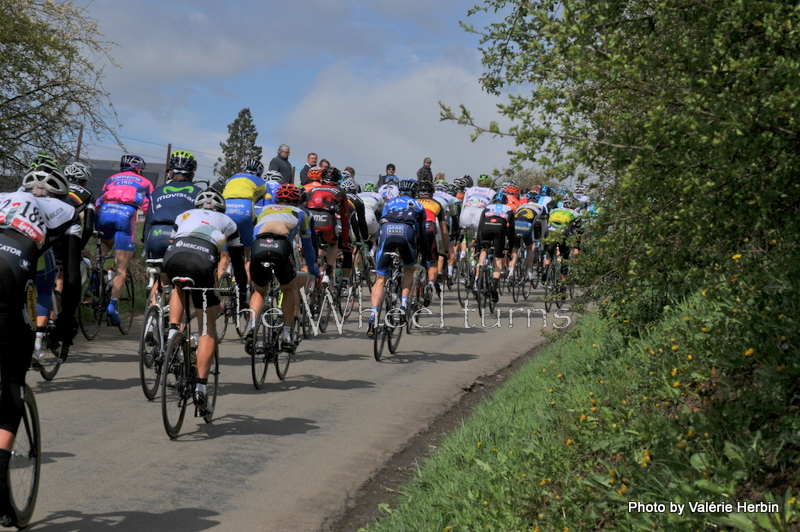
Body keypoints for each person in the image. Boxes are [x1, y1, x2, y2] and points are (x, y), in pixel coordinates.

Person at [0, 161, 79, 524]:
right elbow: (73, 276)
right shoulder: (66, 209)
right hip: (9, 276)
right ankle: (1, 483)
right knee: (12, 379)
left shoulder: (3, 197)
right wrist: (64, 328)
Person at [163, 187, 246, 414]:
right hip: (202, 263)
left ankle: (171, 334)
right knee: (207, 328)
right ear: (221, 208)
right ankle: (200, 387)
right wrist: (243, 292)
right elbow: (238, 262)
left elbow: (172, 240)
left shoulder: (184, 216)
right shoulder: (228, 221)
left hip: (173, 256)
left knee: (178, 285)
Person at [247, 183, 319, 353]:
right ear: (299, 200)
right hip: (281, 247)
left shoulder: (263, 210)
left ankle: (251, 328)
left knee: (259, 291)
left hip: (258, 246)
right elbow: (308, 248)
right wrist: (312, 267)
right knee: (289, 288)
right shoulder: (302, 213)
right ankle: (286, 335)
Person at [95, 154, 154, 325]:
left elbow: (101, 197)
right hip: (125, 216)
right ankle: (113, 306)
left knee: (105, 243)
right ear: (137, 168)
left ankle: (95, 273)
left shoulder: (111, 179)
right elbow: (151, 208)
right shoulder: (145, 183)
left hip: (104, 213)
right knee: (121, 267)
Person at [366, 178, 429, 338]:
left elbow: (381, 224)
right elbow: (422, 233)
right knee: (409, 268)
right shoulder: (419, 205)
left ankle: (373, 314)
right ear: (414, 193)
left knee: (380, 278)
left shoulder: (390, 202)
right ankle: (403, 304)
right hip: (406, 233)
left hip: (386, 232)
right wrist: (425, 255)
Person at [48, 161, 96, 362]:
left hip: (46, 233)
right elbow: (88, 227)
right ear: (84, 180)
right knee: (70, 276)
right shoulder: (88, 194)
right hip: (69, 234)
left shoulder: (54, 189)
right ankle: (61, 320)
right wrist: (79, 247)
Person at [143, 150, 201, 302]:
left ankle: (153, 314)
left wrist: (146, 248)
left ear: (170, 173)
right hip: (178, 237)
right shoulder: (199, 193)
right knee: (180, 281)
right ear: (192, 175)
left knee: (161, 278)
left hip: (155, 237)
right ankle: (178, 325)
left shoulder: (156, 192)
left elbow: (148, 221)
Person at [219, 157, 266, 296]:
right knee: (249, 255)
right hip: (244, 209)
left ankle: (220, 286)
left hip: (225, 209)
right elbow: (265, 204)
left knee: (224, 256)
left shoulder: (231, 178)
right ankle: (244, 290)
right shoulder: (262, 183)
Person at [306, 167, 351, 286]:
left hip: (310, 219)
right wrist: (345, 242)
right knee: (333, 243)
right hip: (327, 221)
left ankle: (308, 272)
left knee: (310, 245)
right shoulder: (340, 192)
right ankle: (328, 272)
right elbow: (345, 218)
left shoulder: (313, 190)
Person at [476, 192, 515, 303]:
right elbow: (512, 232)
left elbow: (479, 227)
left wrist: (478, 248)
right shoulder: (508, 209)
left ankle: (479, 274)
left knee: (484, 250)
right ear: (505, 201)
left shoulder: (487, 207)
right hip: (499, 229)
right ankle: (494, 283)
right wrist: (511, 249)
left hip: (485, 227)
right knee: (498, 259)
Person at [416, 180, 451, 305]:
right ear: (431, 194)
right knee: (434, 262)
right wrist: (447, 250)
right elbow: (444, 230)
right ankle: (430, 283)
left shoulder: (413, 201)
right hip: (429, 228)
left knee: (411, 261)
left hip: (414, 230)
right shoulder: (437, 203)